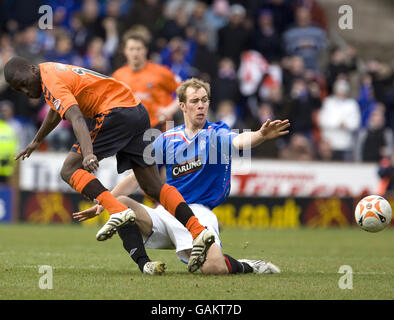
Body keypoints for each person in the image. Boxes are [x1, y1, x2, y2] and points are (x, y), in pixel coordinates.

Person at [3, 57, 215, 273]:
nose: (26, 91)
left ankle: (116, 211)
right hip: (137, 112)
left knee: (68, 170)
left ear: (31, 69)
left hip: (114, 113)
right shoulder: (49, 72)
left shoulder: (50, 80)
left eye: (23, 83)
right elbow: (56, 109)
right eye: (19, 89)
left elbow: (75, 116)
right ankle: (199, 230)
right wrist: (37, 140)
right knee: (153, 187)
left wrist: (87, 154)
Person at [74, 77, 290, 275]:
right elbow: (136, 177)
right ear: (183, 106)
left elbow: (239, 141)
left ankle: (248, 265)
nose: (201, 105)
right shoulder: (166, 138)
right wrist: (105, 203)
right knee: (121, 203)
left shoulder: (216, 134)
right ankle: (145, 264)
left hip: (198, 214)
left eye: (204, 100)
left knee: (214, 268)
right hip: (167, 212)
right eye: (195, 100)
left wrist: (260, 135)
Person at [112, 33, 180, 131]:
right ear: (125, 51)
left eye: (138, 49)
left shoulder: (161, 72)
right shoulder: (118, 75)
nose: (135, 53)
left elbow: (185, 91)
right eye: (131, 49)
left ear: (145, 50)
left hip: (161, 128)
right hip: (132, 130)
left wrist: (170, 110)